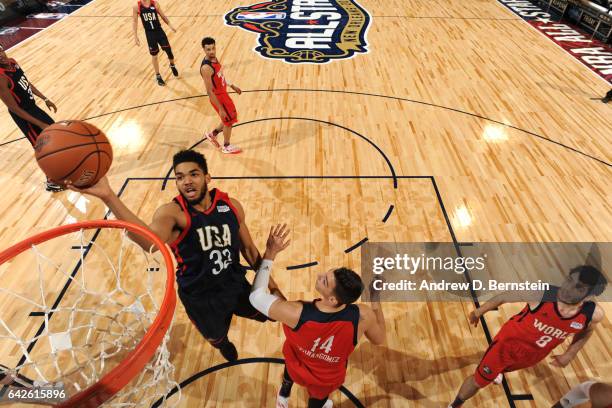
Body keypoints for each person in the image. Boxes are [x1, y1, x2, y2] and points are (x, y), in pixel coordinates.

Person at [67, 150, 283, 361]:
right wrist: (109, 196)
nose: (187, 181)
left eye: (194, 174)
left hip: (235, 285)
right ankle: (223, 344)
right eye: (180, 177)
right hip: (201, 297)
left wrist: (273, 287)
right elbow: (149, 243)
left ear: (207, 177)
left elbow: (250, 251)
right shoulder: (172, 213)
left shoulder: (231, 205)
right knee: (217, 337)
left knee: (274, 314)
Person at [249, 224, 387, 408]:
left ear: (332, 299)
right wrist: (376, 298)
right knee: (318, 403)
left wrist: (269, 255)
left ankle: (284, 394)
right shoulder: (363, 316)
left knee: (290, 369)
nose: (320, 274)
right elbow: (380, 339)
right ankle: (290, 395)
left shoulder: (296, 313)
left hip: (296, 364)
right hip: (326, 379)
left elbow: (256, 297)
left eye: (324, 280)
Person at [448, 265, 607, 407]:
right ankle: (455, 405)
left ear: (588, 297)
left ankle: (498, 371)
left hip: (534, 355)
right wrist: (479, 312)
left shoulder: (593, 314)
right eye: (569, 280)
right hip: (505, 347)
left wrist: (570, 354)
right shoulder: (541, 293)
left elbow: (587, 331)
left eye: (578, 287)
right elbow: (505, 296)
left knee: (500, 370)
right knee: (478, 381)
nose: (568, 288)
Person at [0, 43, 61, 192]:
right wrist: (39, 124)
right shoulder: (1, 78)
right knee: (42, 147)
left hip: (33, 108)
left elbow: (26, 83)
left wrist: (45, 98)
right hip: (23, 115)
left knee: (55, 134)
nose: (0, 55)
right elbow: (13, 108)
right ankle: (51, 180)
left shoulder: (13, 62)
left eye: (0, 50)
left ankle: (61, 167)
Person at [200, 37, 242, 154]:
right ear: (203, 49)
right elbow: (209, 91)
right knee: (229, 121)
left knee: (227, 118)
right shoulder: (206, 68)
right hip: (218, 97)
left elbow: (220, 76)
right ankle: (226, 146)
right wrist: (220, 108)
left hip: (223, 93)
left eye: (213, 48)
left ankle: (212, 134)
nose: (212, 51)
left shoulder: (214, 59)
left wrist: (232, 85)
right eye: (208, 49)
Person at [132, 0, 178, 86]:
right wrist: (135, 36)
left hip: (159, 31)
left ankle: (172, 65)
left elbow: (163, 16)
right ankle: (158, 76)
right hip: (150, 34)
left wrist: (170, 25)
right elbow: (135, 21)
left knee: (169, 51)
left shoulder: (155, 3)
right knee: (154, 55)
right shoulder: (136, 6)